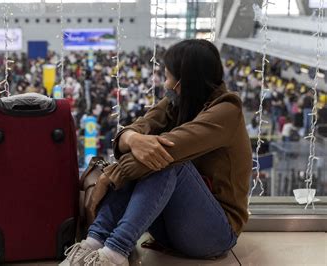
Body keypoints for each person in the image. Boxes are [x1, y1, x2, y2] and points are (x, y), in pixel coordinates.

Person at [60, 40, 252, 266]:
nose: (165, 83)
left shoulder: (226, 112)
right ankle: (94, 242)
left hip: (215, 233)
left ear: (183, 82)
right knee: (150, 155)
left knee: (165, 160)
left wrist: (111, 175)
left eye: (169, 76)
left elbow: (167, 152)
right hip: (172, 226)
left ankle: (114, 254)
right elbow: (135, 129)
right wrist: (132, 138)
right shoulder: (179, 102)